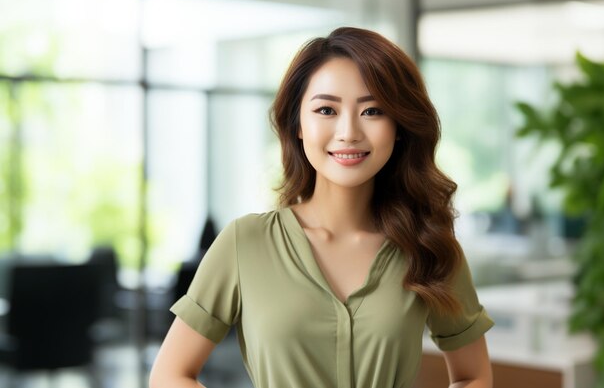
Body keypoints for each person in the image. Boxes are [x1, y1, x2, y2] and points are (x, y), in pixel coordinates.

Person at [150, 27, 494, 388]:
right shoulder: (245, 243)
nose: (348, 132)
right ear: (298, 124)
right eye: (326, 109)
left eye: (373, 110)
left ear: (399, 127)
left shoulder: (429, 246)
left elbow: (474, 375)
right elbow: (169, 375)